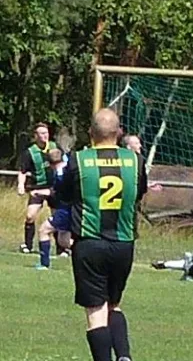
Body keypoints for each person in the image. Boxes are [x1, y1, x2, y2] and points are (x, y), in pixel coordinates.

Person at [59, 108, 148, 361]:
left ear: (90, 132)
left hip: (90, 243)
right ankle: (124, 356)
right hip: (123, 244)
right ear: (119, 133)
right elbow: (139, 193)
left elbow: (63, 195)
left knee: (96, 310)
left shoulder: (78, 159)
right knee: (114, 304)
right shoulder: (135, 161)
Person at [17, 122, 66, 255]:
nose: (45, 136)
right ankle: (27, 245)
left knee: (57, 217)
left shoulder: (55, 147)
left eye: (46, 133)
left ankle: (61, 249)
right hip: (37, 187)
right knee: (30, 216)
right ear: (36, 136)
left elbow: (65, 161)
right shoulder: (30, 152)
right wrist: (21, 185)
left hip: (55, 187)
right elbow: (22, 171)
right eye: (42, 133)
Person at [31, 149, 73, 270]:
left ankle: (44, 264)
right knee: (63, 241)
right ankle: (91, 255)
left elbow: (54, 191)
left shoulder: (60, 173)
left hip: (65, 210)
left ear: (48, 163)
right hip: (69, 209)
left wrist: (38, 192)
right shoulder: (68, 168)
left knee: (44, 230)